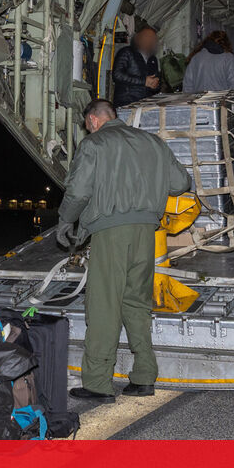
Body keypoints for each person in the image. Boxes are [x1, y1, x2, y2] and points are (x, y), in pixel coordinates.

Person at [55, 99, 192, 403]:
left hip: (110, 232)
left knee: (104, 304)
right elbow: (181, 183)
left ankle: (98, 382)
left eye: (87, 125)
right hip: (146, 233)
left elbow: (79, 191)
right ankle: (144, 375)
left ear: (93, 120)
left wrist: (65, 220)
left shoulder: (94, 144)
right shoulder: (153, 143)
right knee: (137, 303)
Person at [111, 26, 161, 106]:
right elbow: (117, 75)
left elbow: (156, 80)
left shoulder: (153, 59)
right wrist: (144, 81)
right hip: (126, 103)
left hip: (145, 103)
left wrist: (155, 85)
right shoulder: (126, 52)